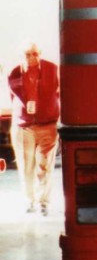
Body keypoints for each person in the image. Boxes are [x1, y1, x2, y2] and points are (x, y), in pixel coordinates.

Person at [7, 43, 60, 216]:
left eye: (35, 53)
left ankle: (43, 202)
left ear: (40, 53)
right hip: (24, 127)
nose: (32, 57)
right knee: (26, 166)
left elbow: (59, 92)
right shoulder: (14, 72)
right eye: (27, 54)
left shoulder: (52, 69)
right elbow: (13, 96)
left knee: (45, 165)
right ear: (21, 55)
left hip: (48, 124)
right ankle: (29, 200)